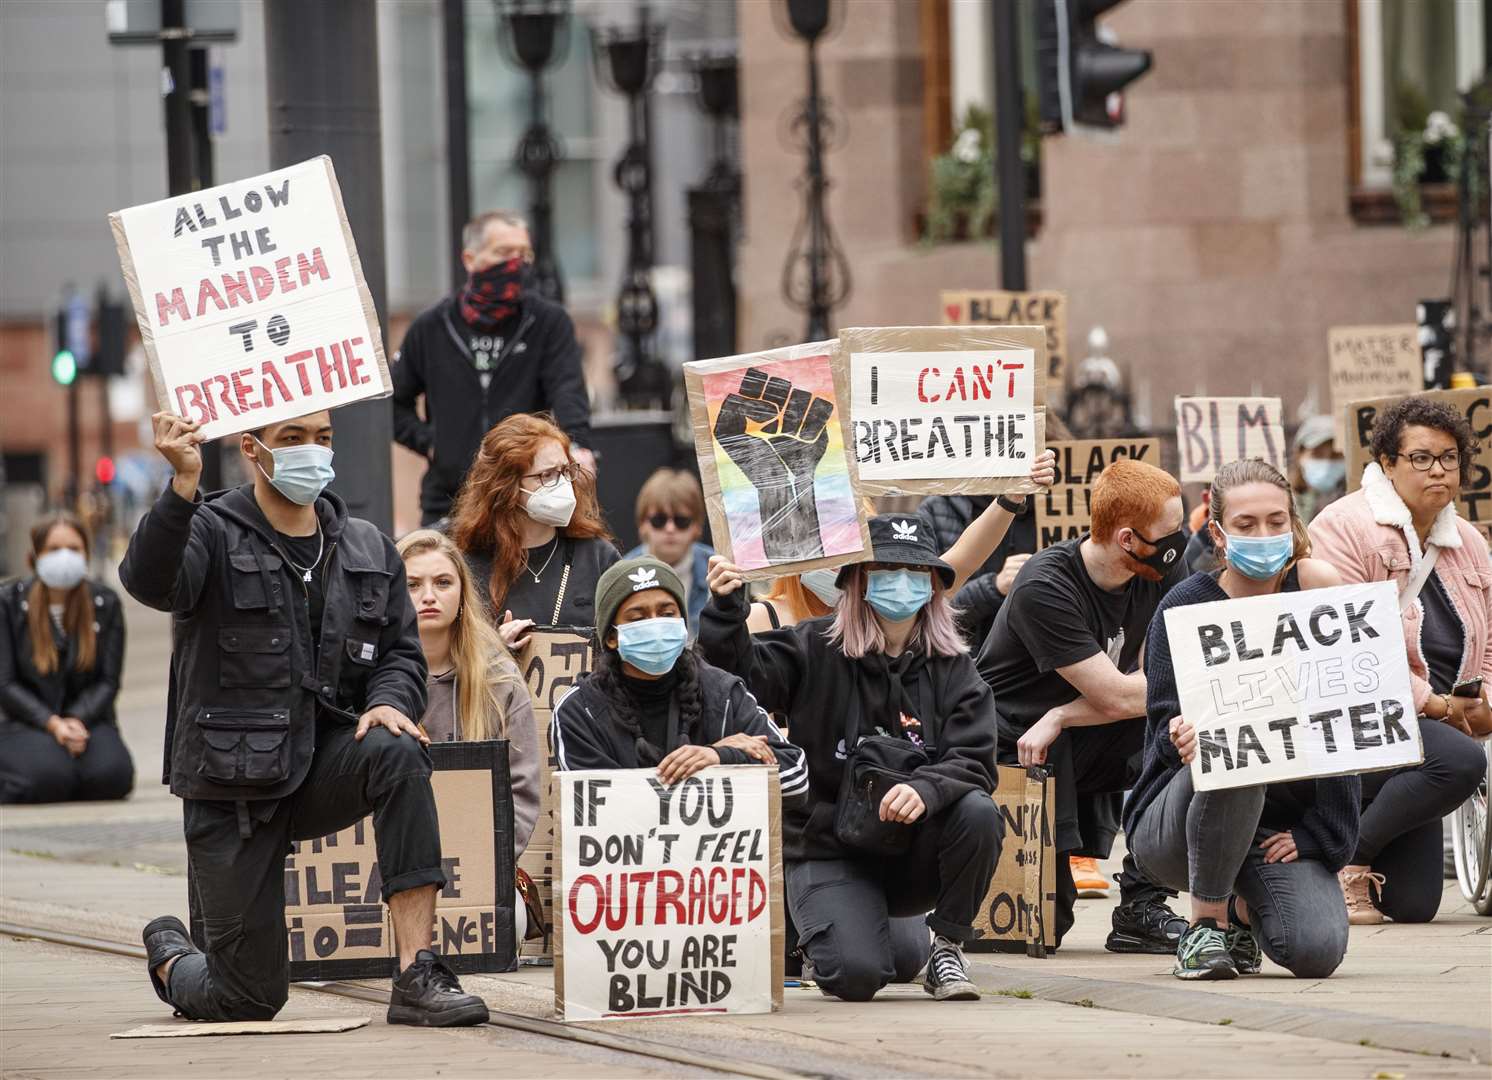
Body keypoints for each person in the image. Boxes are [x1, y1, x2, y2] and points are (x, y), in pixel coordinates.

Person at [121, 409, 489, 1027]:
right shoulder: (208, 528)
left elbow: (401, 655)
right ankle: (173, 957)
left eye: (322, 439)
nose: (311, 453)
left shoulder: (368, 546)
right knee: (247, 998)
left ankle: (418, 972)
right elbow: (151, 582)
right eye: (292, 439)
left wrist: (388, 702)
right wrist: (182, 484)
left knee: (398, 751)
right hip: (232, 787)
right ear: (251, 449)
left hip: (325, 765)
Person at [700, 515, 1001, 1003]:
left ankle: (946, 946)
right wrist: (726, 610)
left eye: (914, 572)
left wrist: (926, 789)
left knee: (978, 812)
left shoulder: (955, 668)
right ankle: (823, 919)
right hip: (827, 846)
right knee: (858, 975)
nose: (901, 585)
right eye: (886, 571)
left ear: (933, 587)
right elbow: (736, 673)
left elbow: (976, 761)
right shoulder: (814, 646)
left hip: (909, 856)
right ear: (857, 582)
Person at [1127, 459, 1357, 980]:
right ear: (1218, 532)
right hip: (1181, 822)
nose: (1264, 534)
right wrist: (1178, 736)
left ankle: (1237, 913)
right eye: (1247, 524)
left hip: (1277, 830)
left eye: (1277, 522)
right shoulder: (1183, 605)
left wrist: (1322, 834)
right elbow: (1160, 730)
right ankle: (1205, 925)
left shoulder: (1317, 594)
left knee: (1316, 951)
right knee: (1240, 744)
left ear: (1293, 524)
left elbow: (1345, 722)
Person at [976, 458, 1190, 953]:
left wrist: (1063, 714)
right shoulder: (1045, 585)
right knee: (1041, 926)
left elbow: (1187, 675)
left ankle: (1142, 900)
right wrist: (1074, 712)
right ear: (1127, 540)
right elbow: (1117, 695)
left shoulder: (1161, 564)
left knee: (1184, 730)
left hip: (1070, 729)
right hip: (1010, 744)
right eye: (1169, 532)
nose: (1180, 543)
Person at [1309, 396, 1489, 924]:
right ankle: (1349, 859)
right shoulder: (1345, 527)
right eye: (1421, 457)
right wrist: (1433, 705)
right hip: (1362, 720)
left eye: (1450, 457)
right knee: (1461, 761)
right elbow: (1347, 646)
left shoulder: (1469, 542)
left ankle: (1344, 842)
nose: (1438, 469)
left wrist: (1484, 704)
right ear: (1387, 463)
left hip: (1431, 726)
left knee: (1413, 906)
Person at [392, 211, 595, 526]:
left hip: (528, 498)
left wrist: (576, 448)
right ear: (470, 259)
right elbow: (393, 402)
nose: (515, 265)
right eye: (503, 253)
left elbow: (568, 392)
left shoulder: (547, 323)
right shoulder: (431, 327)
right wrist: (434, 443)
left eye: (523, 255)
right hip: (449, 501)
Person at [551, 556, 808, 796]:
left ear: (683, 623)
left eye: (667, 613)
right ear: (611, 637)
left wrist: (723, 757)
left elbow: (794, 776)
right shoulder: (579, 711)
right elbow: (595, 808)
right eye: (638, 617)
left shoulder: (723, 692)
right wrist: (712, 767)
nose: (656, 625)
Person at [397, 528, 545, 941]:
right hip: (389, 873)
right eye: (412, 584)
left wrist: (480, 866)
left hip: (479, 872)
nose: (429, 595)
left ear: (462, 594)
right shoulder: (364, 679)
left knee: (509, 924)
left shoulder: (500, 679)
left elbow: (524, 789)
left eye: (443, 583)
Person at [451, 413, 619, 648]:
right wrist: (493, 653)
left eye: (565, 471)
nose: (562, 483)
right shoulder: (469, 565)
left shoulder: (599, 556)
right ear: (506, 487)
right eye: (546, 475)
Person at [0, 513, 134, 803]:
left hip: (87, 720)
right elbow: (6, 683)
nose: (65, 556)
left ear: (86, 554)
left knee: (113, 776)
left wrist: (75, 720)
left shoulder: (105, 602)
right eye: (53, 549)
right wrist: (52, 724)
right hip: (23, 721)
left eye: (73, 549)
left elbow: (108, 682)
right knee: (48, 779)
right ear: (34, 557)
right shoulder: (7, 603)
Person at [625, 468, 714, 632]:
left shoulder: (716, 569)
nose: (670, 528)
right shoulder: (623, 573)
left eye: (682, 521)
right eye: (659, 520)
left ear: (697, 526)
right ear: (643, 524)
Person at [1291, 415, 1348, 524]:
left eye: (1335, 455)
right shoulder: (1284, 503)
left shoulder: (1354, 501)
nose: (1327, 463)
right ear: (1300, 454)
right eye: (1318, 454)